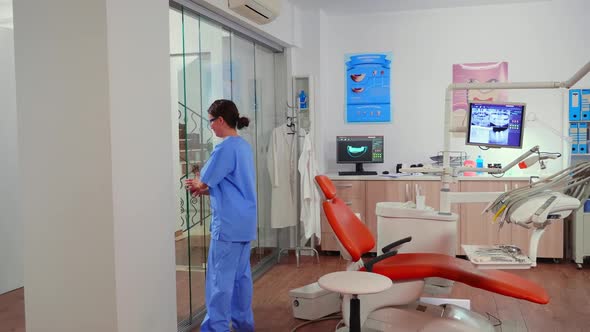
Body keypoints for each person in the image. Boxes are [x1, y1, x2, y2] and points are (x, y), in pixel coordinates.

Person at [185, 99, 257, 332]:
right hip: (244, 223)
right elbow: (230, 185)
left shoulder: (225, 148)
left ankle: (216, 329)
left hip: (227, 226)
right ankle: (244, 325)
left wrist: (197, 184)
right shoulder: (243, 146)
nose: (211, 127)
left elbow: (205, 179)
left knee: (220, 282)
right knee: (241, 279)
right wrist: (203, 187)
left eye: (211, 122)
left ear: (221, 120)